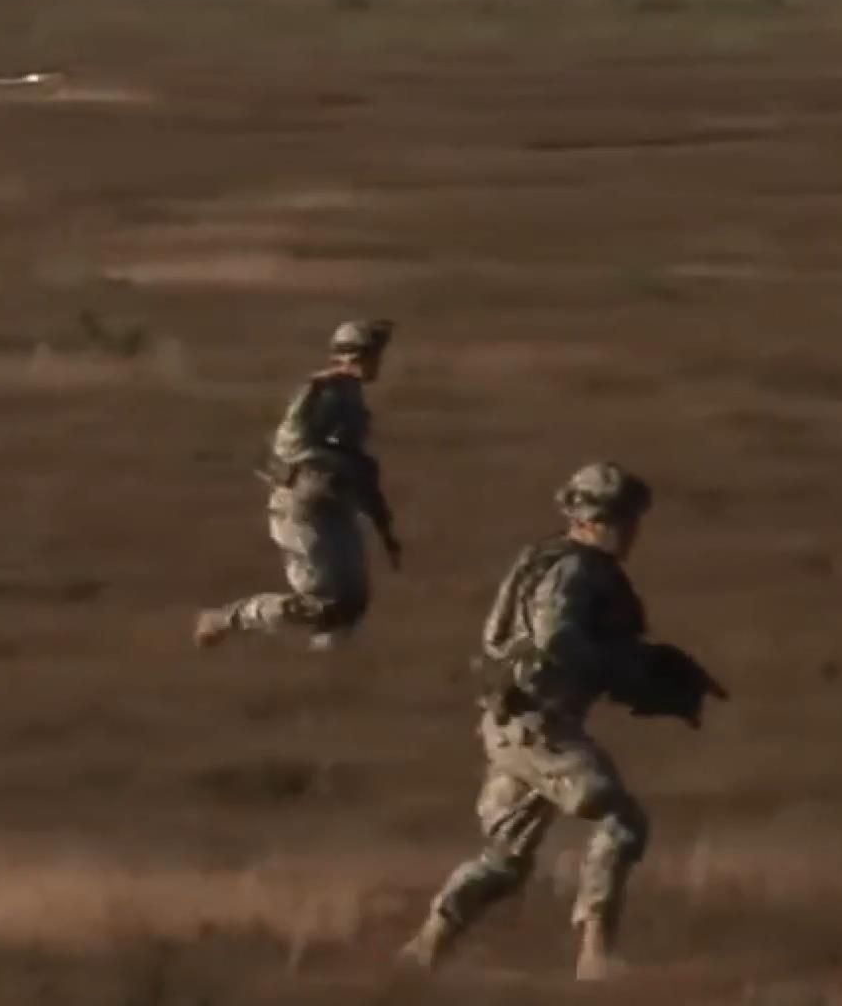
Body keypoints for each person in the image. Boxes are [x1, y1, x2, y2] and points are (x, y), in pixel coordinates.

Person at [399, 462, 725, 980]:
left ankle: (423, 950)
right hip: (539, 726)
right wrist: (627, 671)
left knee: (506, 861)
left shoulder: (545, 560)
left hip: (515, 725)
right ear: (586, 518)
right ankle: (595, 955)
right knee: (621, 820)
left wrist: (639, 669)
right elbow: (558, 638)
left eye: (628, 518)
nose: (626, 530)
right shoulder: (577, 569)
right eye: (614, 517)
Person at [194, 319, 401, 652]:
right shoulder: (324, 392)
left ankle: (330, 669)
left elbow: (358, 465)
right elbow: (288, 444)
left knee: (351, 602)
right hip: (302, 505)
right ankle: (227, 619)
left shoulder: (348, 395)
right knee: (323, 604)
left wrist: (382, 524)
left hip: (332, 503)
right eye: (374, 354)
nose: (379, 362)